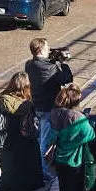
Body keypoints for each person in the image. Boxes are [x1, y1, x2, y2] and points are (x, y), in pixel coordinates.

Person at [44, 83, 96, 191]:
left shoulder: (54, 114)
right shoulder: (78, 119)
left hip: (59, 160)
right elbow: (91, 135)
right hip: (75, 162)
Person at [25, 37, 74, 180]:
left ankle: (38, 165)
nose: (49, 50)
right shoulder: (51, 67)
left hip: (36, 107)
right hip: (48, 108)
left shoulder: (29, 65)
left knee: (39, 138)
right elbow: (67, 79)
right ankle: (42, 171)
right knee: (44, 141)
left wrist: (53, 60)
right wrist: (62, 63)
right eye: (47, 47)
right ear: (41, 49)